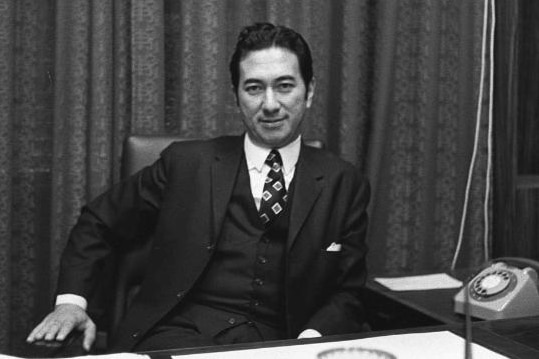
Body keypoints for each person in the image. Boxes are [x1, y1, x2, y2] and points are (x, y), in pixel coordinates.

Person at [27, 22, 370, 353]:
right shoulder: (186, 164)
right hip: (175, 339)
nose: (269, 104)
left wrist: (305, 344)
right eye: (253, 88)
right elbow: (98, 222)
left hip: (279, 344)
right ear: (237, 96)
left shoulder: (344, 183)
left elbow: (347, 294)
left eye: (284, 86)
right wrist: (70, 304)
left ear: (308, 92)